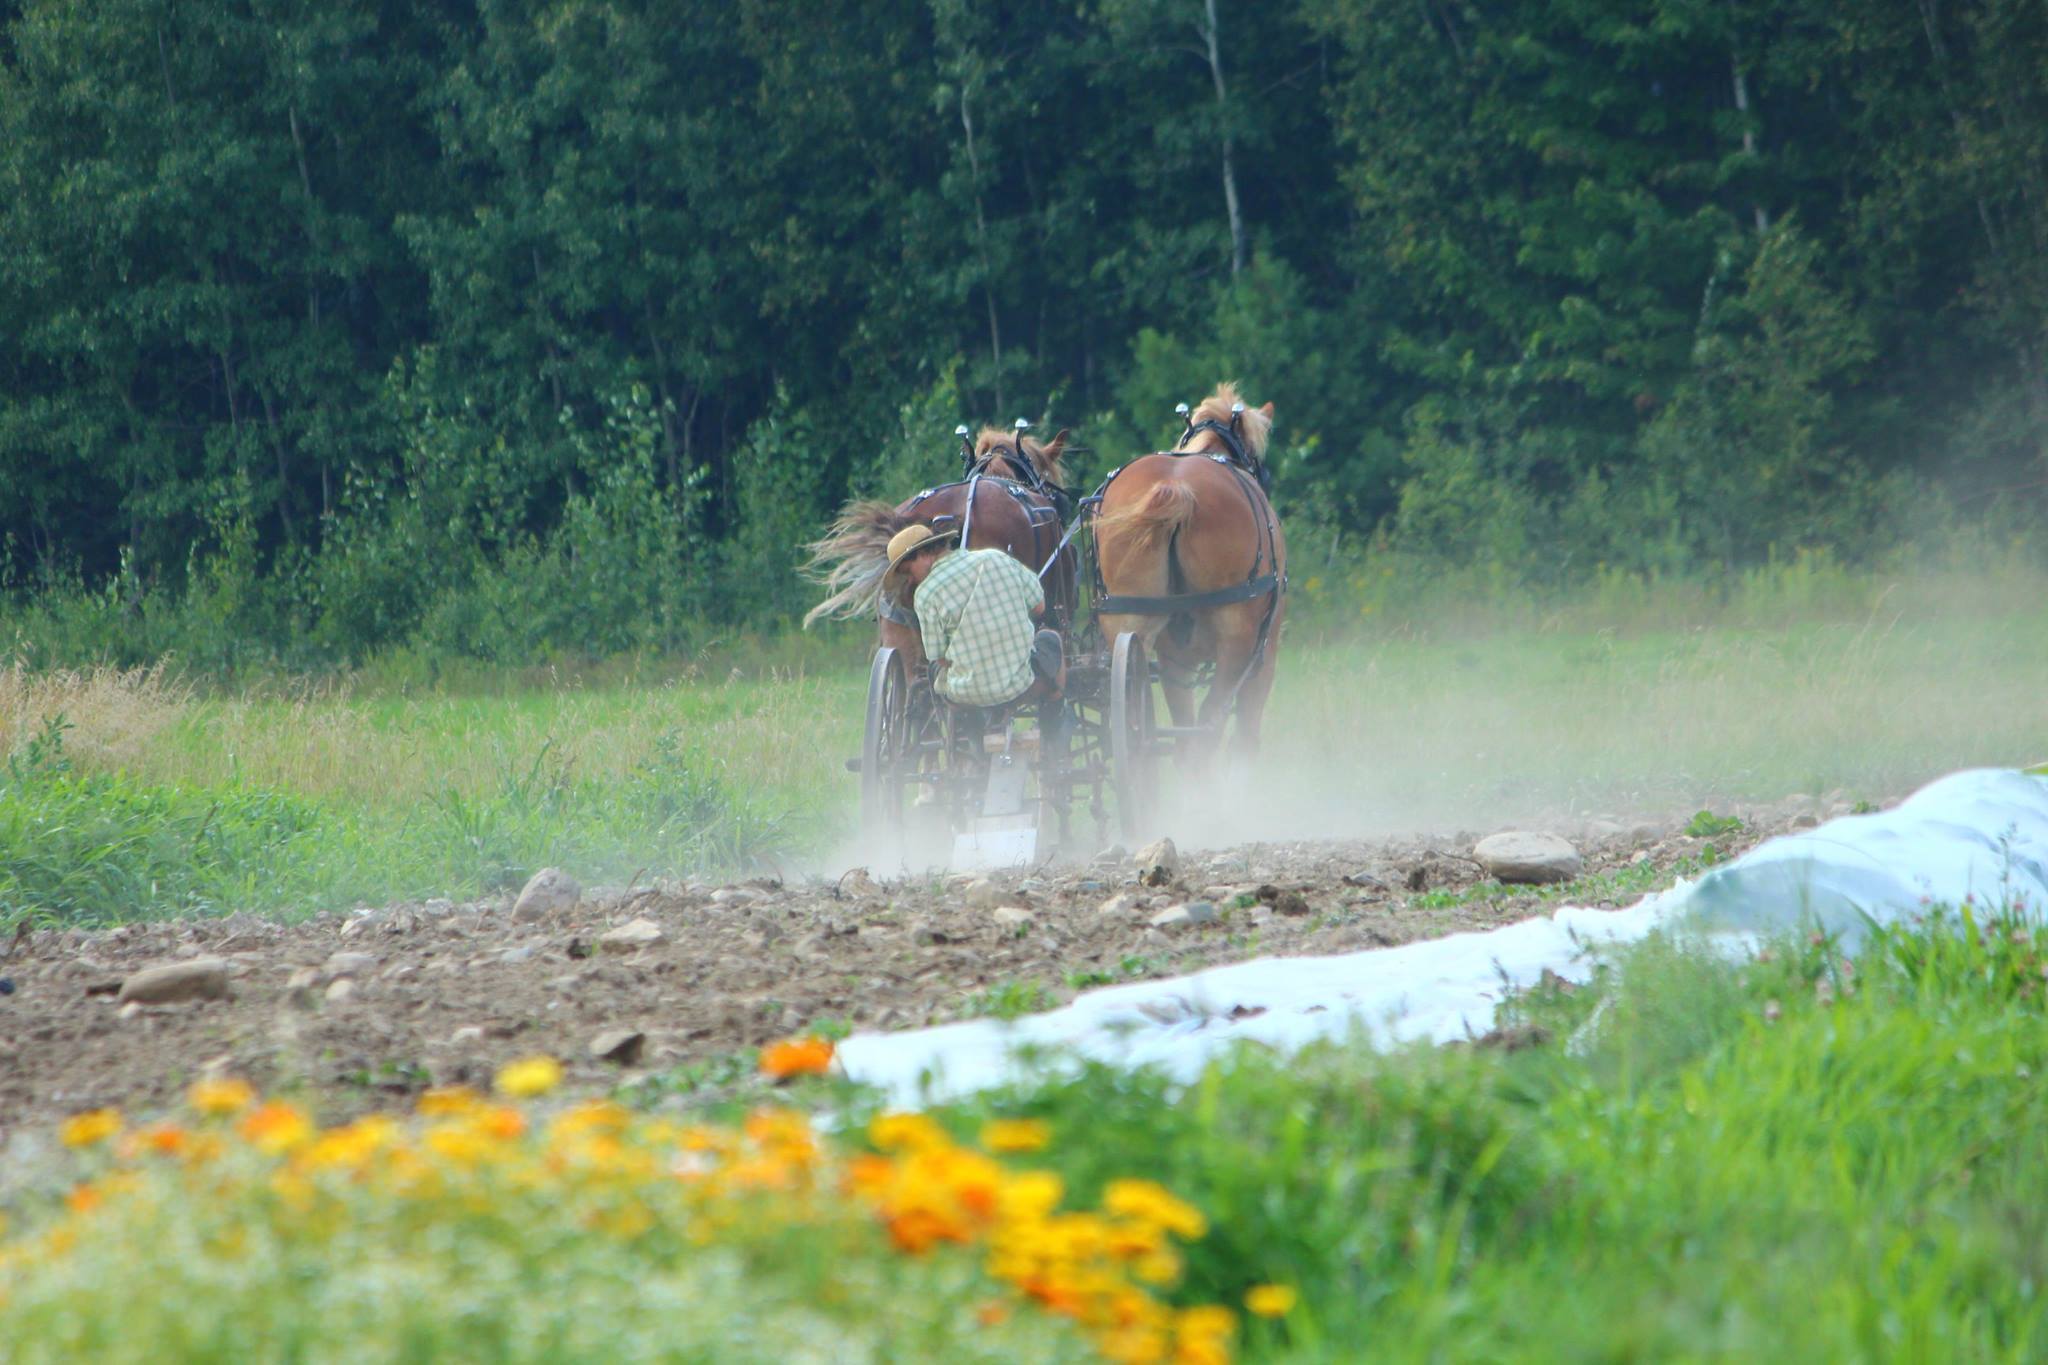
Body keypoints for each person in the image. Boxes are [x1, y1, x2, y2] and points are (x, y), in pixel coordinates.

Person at [881, 525, 1063, 707]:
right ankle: (1055, 714)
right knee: (1051, 638)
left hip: (965, 696)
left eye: (908, 571)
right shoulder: (996, 557)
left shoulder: (924, 594)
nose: (910, 580)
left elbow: (939, 657)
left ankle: (970, 729)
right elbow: (1039, 607)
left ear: (922, 554)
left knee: (934, 670)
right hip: (1022, 685)